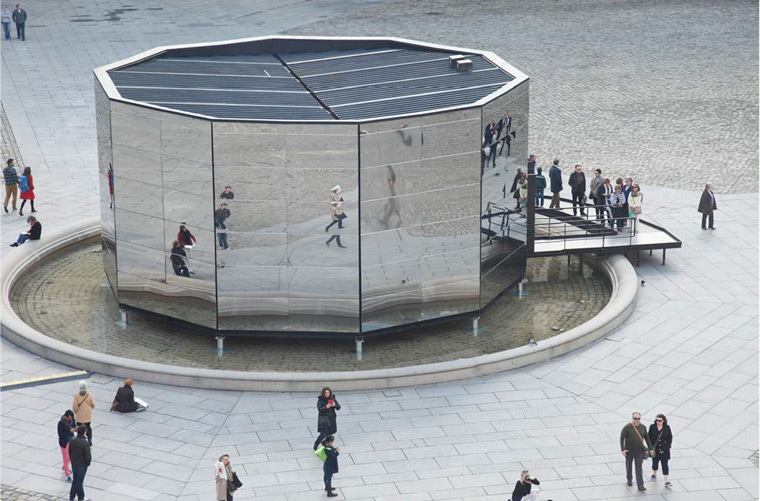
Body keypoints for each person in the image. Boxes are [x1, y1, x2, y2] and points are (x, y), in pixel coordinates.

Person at [620, 411, 653, 492]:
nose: (637, 420)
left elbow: (647, 438)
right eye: (635, 418)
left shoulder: (643, 427)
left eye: (638, 419)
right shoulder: (627, 427)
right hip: (629, 451)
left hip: (639, 451)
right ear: (632, 418)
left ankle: (640, 485)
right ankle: (629, 479)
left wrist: (650, 448)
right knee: (629, 466)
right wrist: (623, 449)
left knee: (639, 467)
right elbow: (622, 438)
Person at [649, 413, 673, 488]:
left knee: (665, 464)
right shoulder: (652, 427)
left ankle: (666, 480)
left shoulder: (667, 428)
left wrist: (668, 446)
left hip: (664, 449)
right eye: (657, 420)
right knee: (655, 463)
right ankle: (654, 473)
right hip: (655, 449)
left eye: (659, 420)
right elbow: (649, 437)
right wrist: (650, 448)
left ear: (663, 421)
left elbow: (670, 437)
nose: (658, 422)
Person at [68, 424, 91, 501]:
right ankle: (81, 497)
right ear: (84, 432)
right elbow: (88, 456)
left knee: (76, 480)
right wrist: (87, 463)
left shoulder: (72, 440)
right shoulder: (85, 443)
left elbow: (70, 452)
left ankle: (72, 496)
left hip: (74, 464)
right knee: (79, 482)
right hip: (82, 465)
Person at [57, 410, 77, 482]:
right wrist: (69, 431)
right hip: (64, 442)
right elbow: (61, 435)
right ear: (66, 416)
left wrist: (75, 429)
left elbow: (74, 426)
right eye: (69, 418)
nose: (71, 420)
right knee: (66, 458)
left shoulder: (72, 420)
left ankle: (65, 467)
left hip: (71, 441)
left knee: (70, 457)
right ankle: (67, 474)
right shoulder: (61, 423)